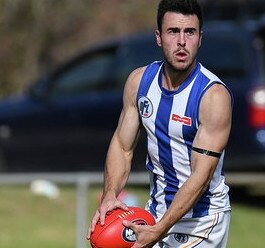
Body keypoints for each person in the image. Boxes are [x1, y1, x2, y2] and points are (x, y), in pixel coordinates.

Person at [87, 0, 233, 247]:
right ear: (158, 37)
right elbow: (122, 147)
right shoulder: (139, 83)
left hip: (202, 221)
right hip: (154, 213)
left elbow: (201, 175)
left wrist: (160, 229)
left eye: (190, 32)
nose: (182, 42)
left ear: (200, 38)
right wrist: (110, 196)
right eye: (173, 32)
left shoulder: (212, 96)